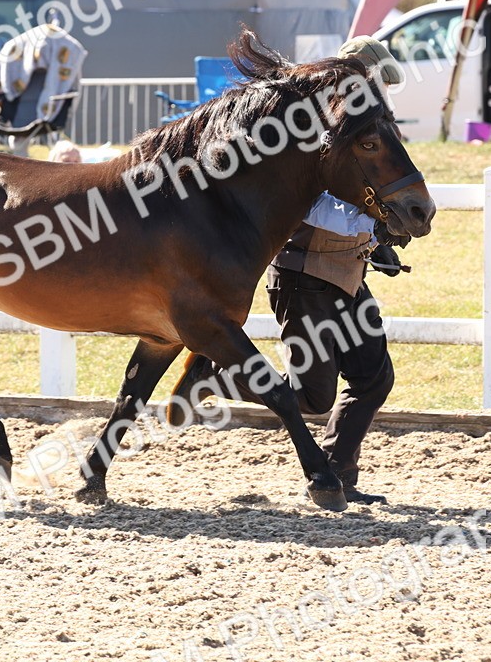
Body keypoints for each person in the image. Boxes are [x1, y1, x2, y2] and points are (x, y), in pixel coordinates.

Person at [172, 37, 410, 504]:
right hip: (305, 278)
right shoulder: (309, 128)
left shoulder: (361, 123)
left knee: (374, 378)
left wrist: (378, 237)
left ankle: (338, 474)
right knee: (313, 397)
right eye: (375, 82)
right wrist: (372, 224)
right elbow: (310, 206)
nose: (381, 93)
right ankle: (216, 376)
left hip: (346, 273)